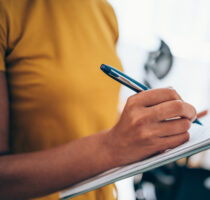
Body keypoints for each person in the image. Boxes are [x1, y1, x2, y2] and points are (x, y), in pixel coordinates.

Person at [0, 0, 198, 199]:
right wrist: (111, 147)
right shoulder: (8, 9)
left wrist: (156, 123)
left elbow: (89, 110)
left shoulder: (104, 10)